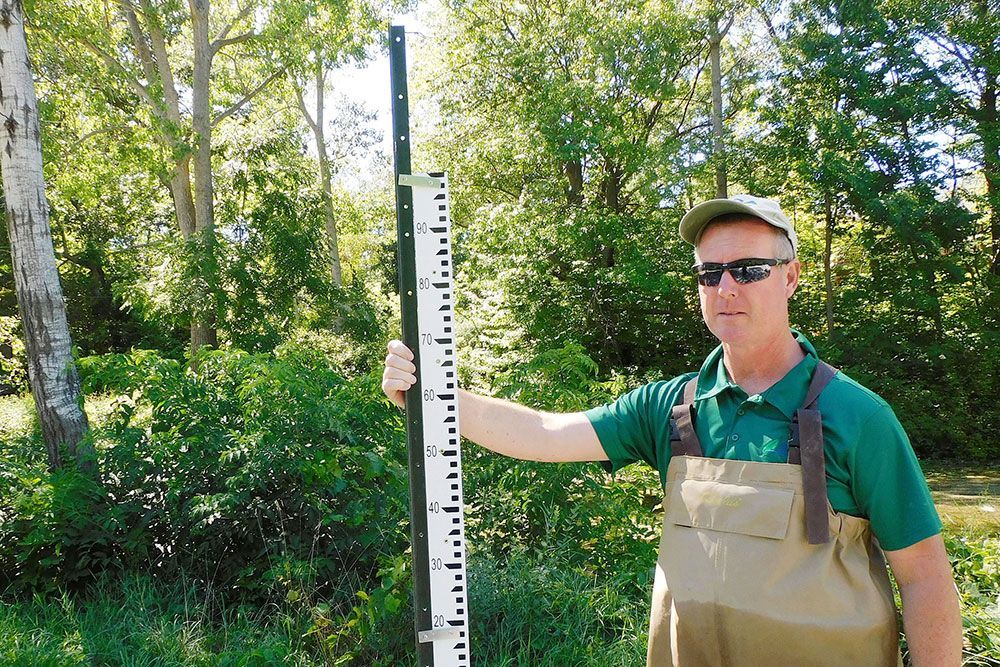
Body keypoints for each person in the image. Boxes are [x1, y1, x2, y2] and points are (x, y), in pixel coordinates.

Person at [382, 195, 962, 666]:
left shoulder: (858, 416)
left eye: (748, 270)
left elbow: (926, 578)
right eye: (710, 273)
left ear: (789, 278)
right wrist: (434, 399)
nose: (726, 288)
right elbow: (545, 432)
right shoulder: (671, 406)